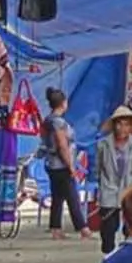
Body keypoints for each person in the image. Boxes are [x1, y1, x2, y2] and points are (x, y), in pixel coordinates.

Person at [95, 105, 132, 255]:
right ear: (114, 125)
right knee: (108, 230)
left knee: (131, 229)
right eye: (119, 123)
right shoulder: (103, 145)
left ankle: (129, 257)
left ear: (131, 126)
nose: (122, 128)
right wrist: (99, 190)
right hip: (109, 190)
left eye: (126, 124)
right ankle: (109, 258)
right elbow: (98, 169)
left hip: (130, 190)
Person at [39, 86, 90, 241]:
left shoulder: (47, 120)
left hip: (51, 163)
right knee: (72, 196)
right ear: (64, 103)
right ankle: (83, 228)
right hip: (61, 165)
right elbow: (62, 145)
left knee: (58, 196)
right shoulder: (58, 123)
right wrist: (70, 165)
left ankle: (56, 228)